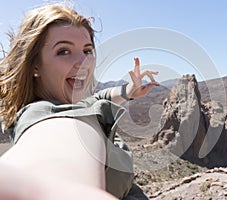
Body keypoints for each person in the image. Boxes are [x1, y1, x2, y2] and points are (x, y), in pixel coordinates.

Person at [0, 2, 159, 200]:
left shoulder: (76, 102)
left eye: (87, 51)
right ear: (34, 65)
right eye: (63, 51)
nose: (83, 63)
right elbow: (59, 140)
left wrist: (129, 90)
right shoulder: (45, 116)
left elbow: (99, 98)